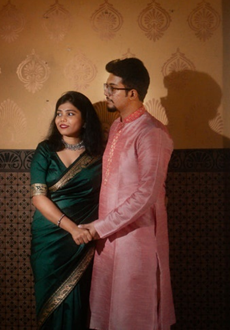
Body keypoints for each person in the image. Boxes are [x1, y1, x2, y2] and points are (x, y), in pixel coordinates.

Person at [81, 58, 175, 330]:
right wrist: (102, 230)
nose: (106, 93)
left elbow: (147, 194)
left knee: (132, 314)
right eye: (106, 86)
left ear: (132, 93)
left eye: (112, 87)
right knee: (107, 312)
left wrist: (99, 228)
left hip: (137, 241)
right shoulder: (117, 129)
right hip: (109, 240)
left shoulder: (152, 133)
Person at [30, 91, 104, 329]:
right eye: (59, 113)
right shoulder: (45, 150)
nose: (62, 119)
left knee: (81, 302)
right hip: (49, 240)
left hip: (85, 239)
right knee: (50, 302)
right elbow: (38, 197)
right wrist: (72, 228)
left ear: (85, 120)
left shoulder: (101, 154)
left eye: (70, 113)